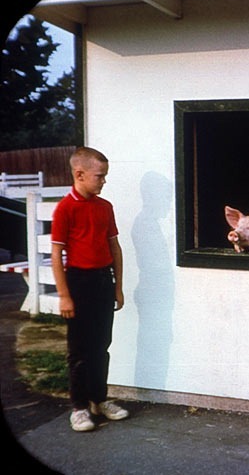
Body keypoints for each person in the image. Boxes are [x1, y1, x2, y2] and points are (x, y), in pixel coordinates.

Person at [51, 146, 129, 432]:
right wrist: (64, 295)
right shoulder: (65, 208)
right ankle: (80, 407)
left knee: (101, 345)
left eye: (105, 176)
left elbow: (115, 248)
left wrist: (117, 287)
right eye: (100, 176)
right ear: (79, 174)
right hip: (78, 283)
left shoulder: (104, 207)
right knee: (79, 349)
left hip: (102, 282)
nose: (103, 181)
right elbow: (56, 255)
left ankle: (99, 399)